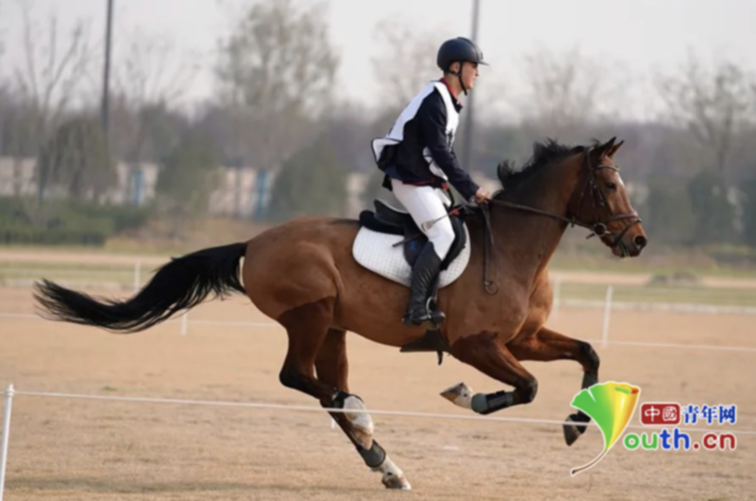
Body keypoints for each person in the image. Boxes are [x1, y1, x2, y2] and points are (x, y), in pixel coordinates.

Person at [371, 37, 492, 327]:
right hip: (410, 180)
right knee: (444, 235)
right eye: (473, 67)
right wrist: (472, 190)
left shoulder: (449, 102)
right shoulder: (435, 101)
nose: (477, 73)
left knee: (457, 227)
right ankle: (416, 307)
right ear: (455, 66)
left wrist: (458, 189)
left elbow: (441, 157)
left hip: (425, 181)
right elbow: (441, 154)